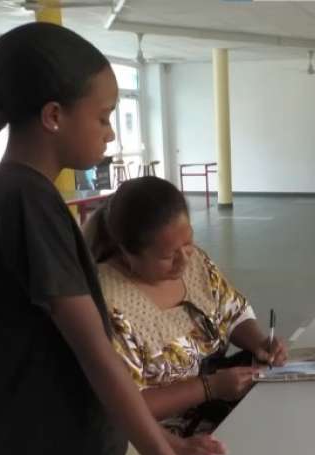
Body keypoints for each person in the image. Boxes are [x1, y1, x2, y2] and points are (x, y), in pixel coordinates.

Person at [0, 22, 209, 455]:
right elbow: (93, 350)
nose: (110, 132)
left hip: (24, 449)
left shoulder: (13, 191)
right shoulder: (27, 200)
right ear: (53, 116)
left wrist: (158, 439)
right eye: (103, 116)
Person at [85, 176, 288, 435]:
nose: (184, 261)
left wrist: (259, 342)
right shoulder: (109, 302)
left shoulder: (195, 263)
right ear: (126, 252)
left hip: (219, 400)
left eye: (188, 242)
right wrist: (209, 388)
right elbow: (127, 405)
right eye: (167, 256)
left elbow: (232, 312)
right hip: (163, 436)